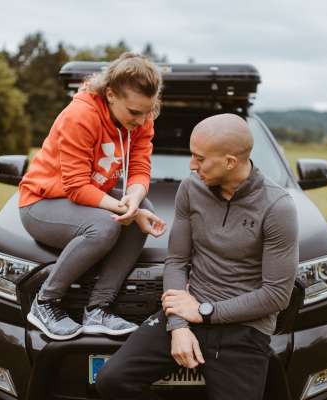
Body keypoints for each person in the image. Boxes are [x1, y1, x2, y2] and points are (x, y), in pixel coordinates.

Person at [96, 113, 299, 400]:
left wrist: (204, 313)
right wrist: (179, 325)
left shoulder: (277, 207)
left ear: (230, 162)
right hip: (187, 312)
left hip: (244, 328)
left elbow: (277, 295)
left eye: (200, 158)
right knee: (112, 381)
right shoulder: (191, 188)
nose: (192, 166)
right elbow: (177, 261)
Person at [18, 53, 166, 341]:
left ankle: (98, 309)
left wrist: (134, 200)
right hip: (41, 201)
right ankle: (45, 302)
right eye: (134, 112)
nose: (142, 120)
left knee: (142, 207)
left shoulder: (143, 118)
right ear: (110, 94)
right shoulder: (81, 115)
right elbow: (75, 185)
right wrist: (128, 211)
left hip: (85, 196)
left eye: (147, 112)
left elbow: (139, 167)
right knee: (105, 226)